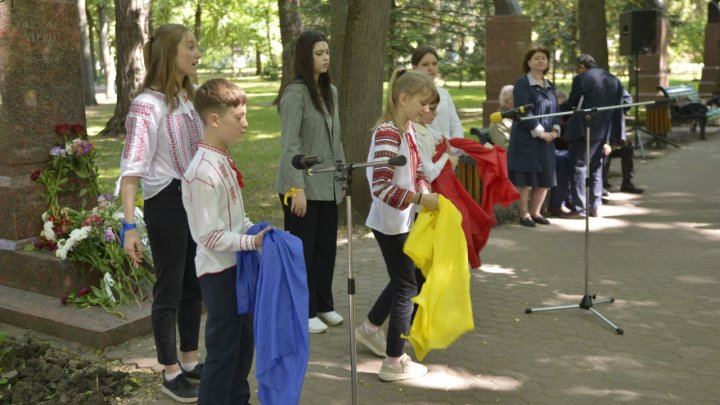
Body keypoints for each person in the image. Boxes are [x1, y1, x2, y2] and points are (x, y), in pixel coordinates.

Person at [119, 24, 203, 402]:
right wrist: (128, 226)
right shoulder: (146, 105)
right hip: (166, 203)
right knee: (169, 289)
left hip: (192, 200)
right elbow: (131, 170)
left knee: (193, 286)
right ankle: (169, 370)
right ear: (171, 53)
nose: (198, 54)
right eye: (191, 46)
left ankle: (189, 359)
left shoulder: (188, 99)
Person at [182, 78, 271, 405]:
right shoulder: (202, 172)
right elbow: (208, 235)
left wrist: (254, 229)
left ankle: (238, 399)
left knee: (243, 344)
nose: (246, 124)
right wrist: (253, 242)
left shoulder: (221, 159)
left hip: (238, 266)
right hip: (218, 273)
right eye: (239, 117)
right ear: (214, 120)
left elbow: (233, 218)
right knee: (223, 351)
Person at [355, 68, 439, 382]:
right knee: (407, 285)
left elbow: (416, 172)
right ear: (403, 99)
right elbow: (380, 186)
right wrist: (419, 199)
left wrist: (424, 192)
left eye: (430, 105)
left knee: (404, 277)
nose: (426, 110)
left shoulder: (407, 129)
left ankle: (369, 329)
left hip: (403, 218)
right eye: (423, 103)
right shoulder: (389, 132)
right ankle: (394, 361)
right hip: (390, 223)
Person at [275, 31, 346, 334]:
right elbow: (289, 145)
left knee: (325, 249)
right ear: (306, 57)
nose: (326, 57)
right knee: (302, 252)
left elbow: (335, 139)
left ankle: (323, 305)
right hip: (302, 186)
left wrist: (342, 178)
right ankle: (303, 311)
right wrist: (296, 189)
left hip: (328, 184)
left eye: (327, 51)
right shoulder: (295, 93)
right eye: (319, 53)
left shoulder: (330, 90)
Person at [560, 54, 625, 218]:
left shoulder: (582, 78)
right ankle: (595, 205)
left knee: (578, 167)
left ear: (581, 67)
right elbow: (623, 101)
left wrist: (556, 108)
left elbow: (573, 104)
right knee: (596, 167)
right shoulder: (612, 78)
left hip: (584, 129)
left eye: (576, 68)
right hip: (604, 130)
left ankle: (580, 208)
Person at [506, 47, 560, 227]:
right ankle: (524, 214)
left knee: (544, 178)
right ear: (528, 62)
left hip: (547, 140)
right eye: (536, 58)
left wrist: (554, 131)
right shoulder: (522, 83)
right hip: (526, 139)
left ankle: (537, 213)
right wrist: (540, 132)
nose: (540, 61)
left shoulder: (550, 84)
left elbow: (557, 111)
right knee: (525, 180)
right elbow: (522, 111)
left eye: (543, 58)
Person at [411, 45, 464, 167]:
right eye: (425, 64)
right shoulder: (411, 97)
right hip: (424, 157)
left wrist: (454, 150)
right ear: (414, 67)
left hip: (448, 155)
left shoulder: (444, 94)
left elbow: (455, 124)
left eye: (434, 64)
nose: (431, 68)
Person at [603, 89, 644, 194]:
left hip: (613, 142)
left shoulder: (615, 86)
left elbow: (627, 100)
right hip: (597, 143)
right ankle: (600, 184)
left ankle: (627, 183)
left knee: (627, 150)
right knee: (603, 154)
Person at [548, 90, 573, 217]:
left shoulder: (568, 116)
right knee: (564, 161)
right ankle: (557, 205)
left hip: (562, 149)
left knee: (575, 157)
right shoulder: (550, 115)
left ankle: (570, 199)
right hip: (549, 149)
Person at [488, 84, 515, 148]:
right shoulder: (498, 122)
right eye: (518, 99)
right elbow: (504, 148)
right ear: (507, 102)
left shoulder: (513, 117)